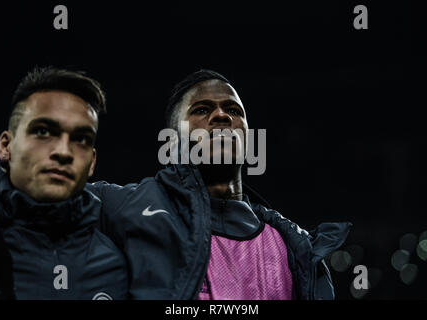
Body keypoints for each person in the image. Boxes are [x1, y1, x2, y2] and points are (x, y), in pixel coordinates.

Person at [88, 69, 352, 300]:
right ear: (173, 139)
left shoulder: (296, 246)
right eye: (202, 110)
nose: (221, 116)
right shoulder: (121, 207)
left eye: (234, 110)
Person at [0, 67, 128, 299]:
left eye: (81, 139)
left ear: (92, 162)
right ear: (6, 146)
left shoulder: (113, 266)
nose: (63, 152)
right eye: (43, 131)